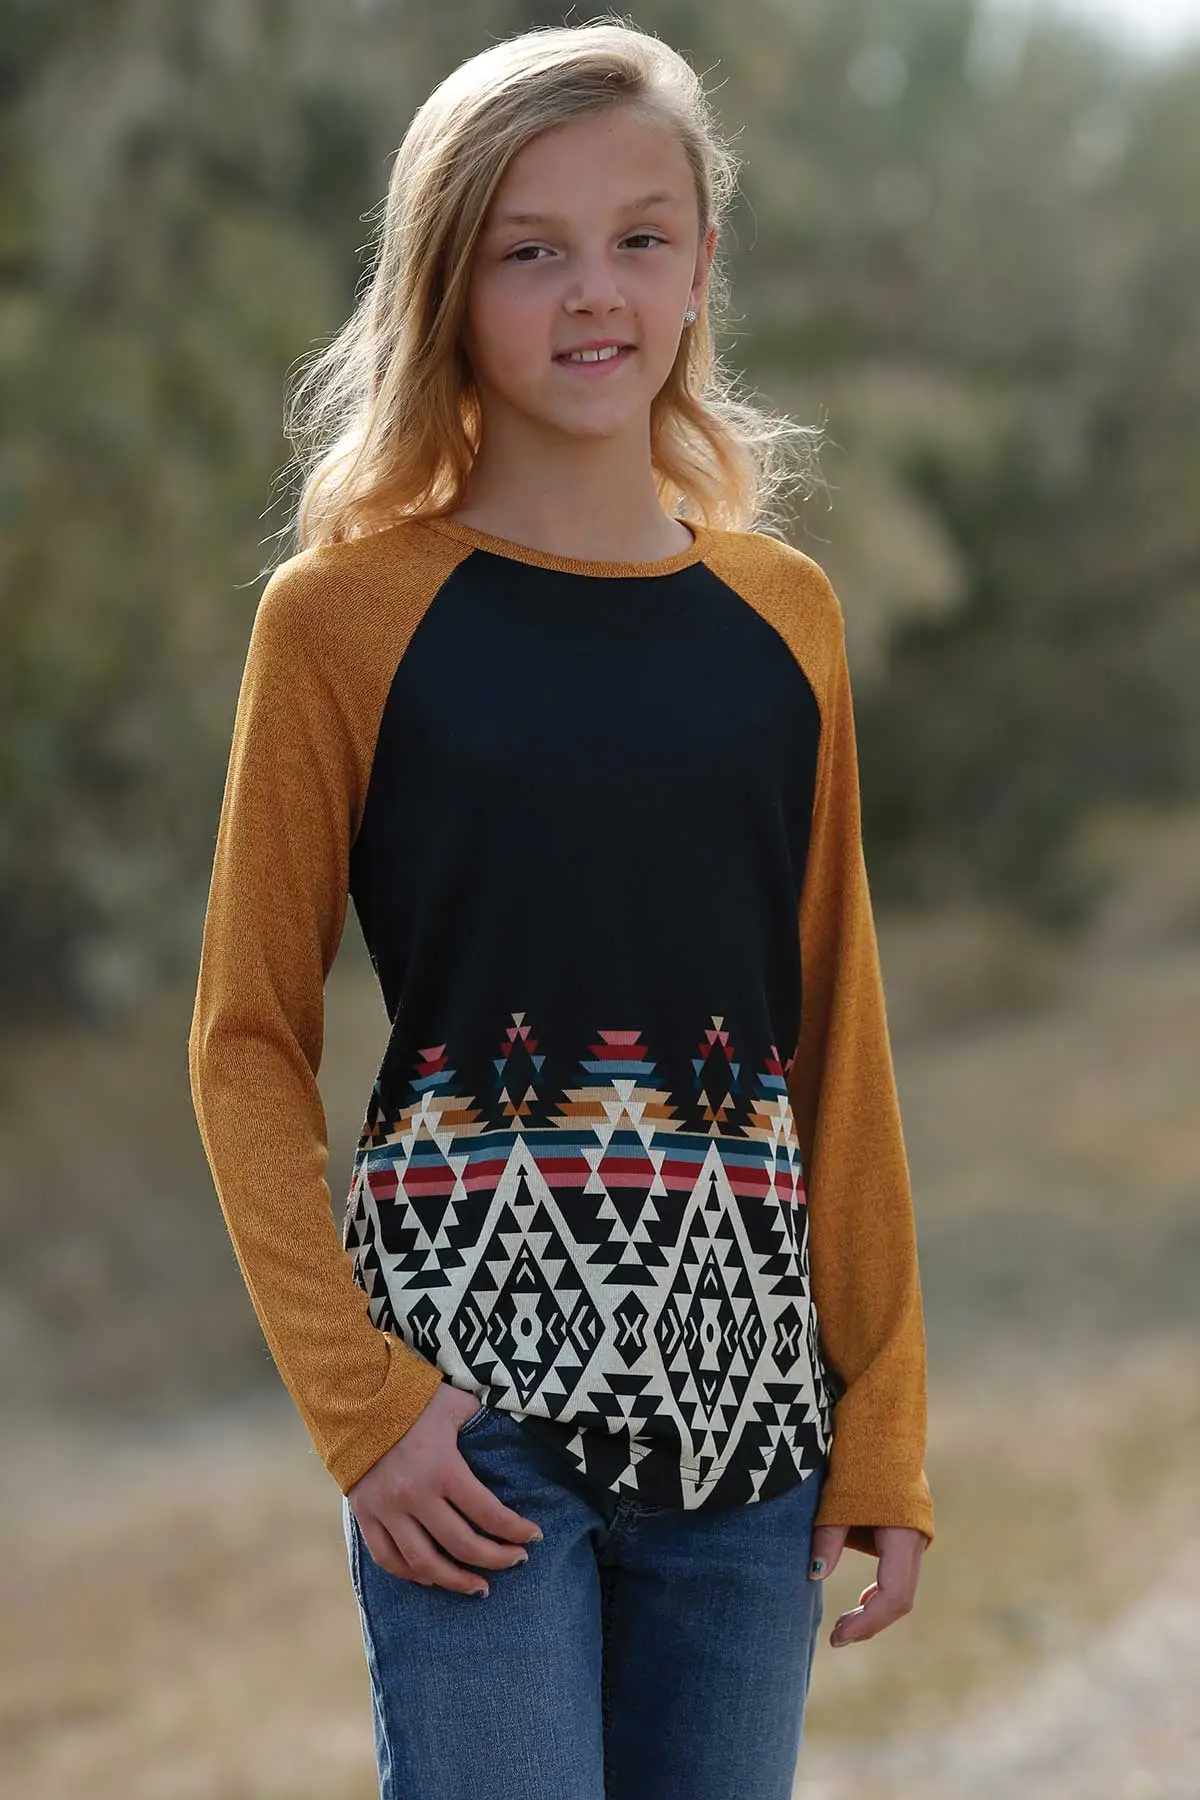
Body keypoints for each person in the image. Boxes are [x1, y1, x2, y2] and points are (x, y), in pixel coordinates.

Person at [187, 17, 933, 1800]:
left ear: (701, 267)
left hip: (751, 1426)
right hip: (469, 1432)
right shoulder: (341, 619)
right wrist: (364, 1410)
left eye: (639, 238)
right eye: (531, 250)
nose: (594, 292)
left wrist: (884, 1419)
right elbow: (244, 1044)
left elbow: (836, 1034)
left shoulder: (786, 617)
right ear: (447, 285)